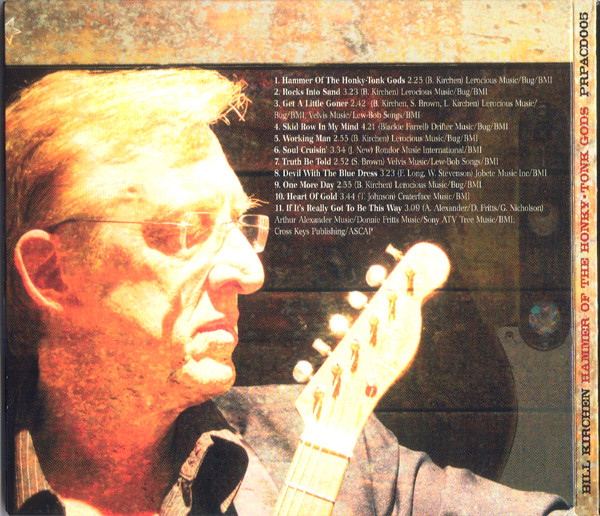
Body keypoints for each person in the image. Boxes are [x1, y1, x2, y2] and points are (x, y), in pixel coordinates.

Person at [5, 69, 574, 515]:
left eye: (242, 224)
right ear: (52, 273)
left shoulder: (325, 442)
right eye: (184, 230)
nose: (249, 272)